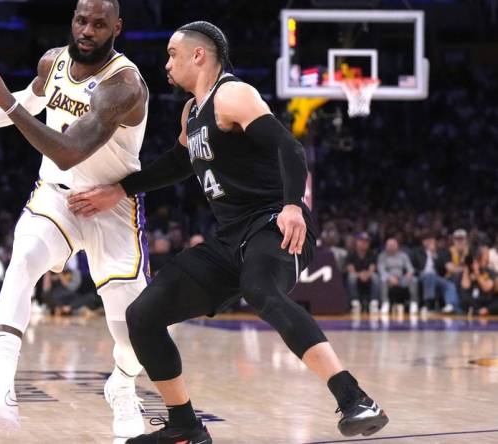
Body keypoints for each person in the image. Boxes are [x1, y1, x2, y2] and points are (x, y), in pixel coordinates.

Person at [68, 21, 387, 442]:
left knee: (261, 291)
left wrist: (294, 205)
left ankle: (355, 399)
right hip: (229, 237)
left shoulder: (233, 95)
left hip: (274, 221)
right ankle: (185, 428)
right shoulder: (192, 112)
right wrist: (119, 189)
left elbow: (287, 147)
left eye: (172, 54)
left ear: (198, 55)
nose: (166, 63)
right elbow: (177, 165)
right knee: (142, 317)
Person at [0, 0, 149, 437]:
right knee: (24, 258)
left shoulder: (124, 85)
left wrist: (5, 101)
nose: (87, 30)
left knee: (130, 327)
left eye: (99, 24)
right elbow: (33, 99)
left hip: (110, 204)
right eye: (81, 20)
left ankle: (123, 387)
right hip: (58, 197)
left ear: (116, 28)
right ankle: (2, 387)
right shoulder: (53, 61)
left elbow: (67, 152)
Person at [411, 232, 459, 313]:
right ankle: (429, 305)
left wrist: (434, 254)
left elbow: (442, 268)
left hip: (437, 277)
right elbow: (412, 267)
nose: (430, 242)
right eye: (428, 240)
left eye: (432, 240)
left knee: (449, 285)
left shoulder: (440, 253)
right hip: (421, 276)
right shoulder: (417, 252)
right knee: (429, 276)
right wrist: (420, 273)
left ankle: (450, 305)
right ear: (423, 242)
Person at [377, 238, 418, 314]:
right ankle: (385, 303)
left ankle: (413, 303)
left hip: (402, 278)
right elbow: (381, 270)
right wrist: (390, 277)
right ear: (386, 246)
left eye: (393, 245)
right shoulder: (382, 256)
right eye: (390, 245)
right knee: (382, 279)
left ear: (397, 246)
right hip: (389, 279)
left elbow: (410, 268)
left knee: (414, 279)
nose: (392, 247)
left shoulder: (403, 255)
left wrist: (409, 274)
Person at [344, 232, 380, 313]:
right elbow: (350, 269)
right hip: (356, 276)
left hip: (368, 277)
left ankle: (374, 303)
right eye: (361, 241)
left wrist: (367, 275)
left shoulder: (372, 254)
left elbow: (372, 268)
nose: (364, 243)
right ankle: (355, 303)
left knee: (375, 277)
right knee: (351, 277)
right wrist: (360, 275)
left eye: (366, 241)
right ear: (356, 242)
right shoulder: (351, 253)